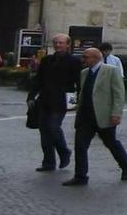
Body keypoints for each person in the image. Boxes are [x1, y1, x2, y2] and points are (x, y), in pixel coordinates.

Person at [63, 47, 127, 186]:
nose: (83, 60)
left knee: (111, 143)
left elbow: (119, 94)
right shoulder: (84, 73)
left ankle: (126, 165)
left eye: (86, 57)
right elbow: (82, 92)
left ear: (96, 58)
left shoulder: (111, 71)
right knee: (80, 145)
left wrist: (116, 113)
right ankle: (80, 175)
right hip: (85, 116)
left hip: (103, 115)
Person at [27, 34, 80, 172]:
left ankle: (64, 152)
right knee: (44, 131)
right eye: (56, 42)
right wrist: (31, 96)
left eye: (61, 43)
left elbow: (78, 84)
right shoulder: (46, 60)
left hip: (61, 100)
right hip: (44, 99)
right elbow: (38, 79)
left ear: (68, 45)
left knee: (53, 127)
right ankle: (48, 162)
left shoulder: (74, 61)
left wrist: (75, 102)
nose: (58, 45)